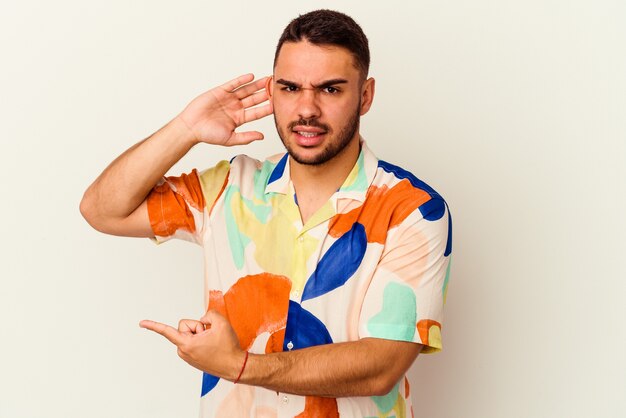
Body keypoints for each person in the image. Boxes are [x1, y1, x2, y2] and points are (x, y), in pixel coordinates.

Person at [80, 9, 452, 418]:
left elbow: (380, 367)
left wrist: (238, 366)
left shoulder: (413, 209)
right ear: (272, 90)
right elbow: (102, 210)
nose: (306, 109)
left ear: (365, 96)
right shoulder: (227, 188)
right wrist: (186, 128)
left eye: (330, 90)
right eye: (291, 88)